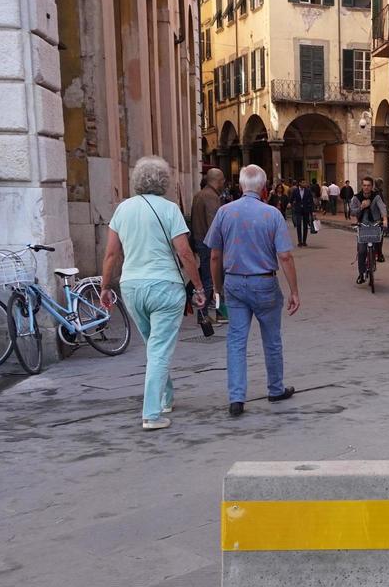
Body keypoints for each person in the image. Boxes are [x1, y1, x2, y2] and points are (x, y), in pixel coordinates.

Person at [100, 155, 205, 431]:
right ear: (164, 182)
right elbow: (184, 252)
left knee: (154, 346)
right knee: (159, 349)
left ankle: (166, 397)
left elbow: (112, 253)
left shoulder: (122, 210)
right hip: (165, 287)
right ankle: (152, 414)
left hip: (133, 287)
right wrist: (199, 286)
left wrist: (104, 286)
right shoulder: (170, 209)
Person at [207, 164, 301, 417]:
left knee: (236, 341)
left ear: (240, 185)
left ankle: (237, 398)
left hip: (235, 282)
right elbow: (285, 256)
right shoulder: (272, 214)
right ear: (264, 187)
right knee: (272, 338)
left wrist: (217, 287)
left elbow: (215, 255)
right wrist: (294, 291)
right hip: (264, 283)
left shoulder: (224, 212)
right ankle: (275, 388)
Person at [189, 168, 225, 319]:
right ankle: (207, 315)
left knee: (208, 278)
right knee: (213, 280)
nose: (224, 183)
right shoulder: (211, 197)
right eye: (223, 180)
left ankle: (217, 313)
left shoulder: (199, 195)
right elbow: (213, 224)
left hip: (200, 241)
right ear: (217, 181)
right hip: (209, 245)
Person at [347, 175, 389, 284]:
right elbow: (352, 212)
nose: (366, 187)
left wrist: (384, 220)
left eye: (368, 185)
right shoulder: (356, 198)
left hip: (375, 225)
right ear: (362, 186)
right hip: (362, 226)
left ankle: (376, 258)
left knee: (377, 245)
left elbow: (382, 208)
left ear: (372, 186)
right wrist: (361, 207)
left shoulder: (376, 197)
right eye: (364, 185)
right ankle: (361, 274)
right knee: (361, 251)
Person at [289, 179, 315, 247]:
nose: (305, 184)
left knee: (305, 226)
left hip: (306, 210)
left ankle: (304, 241)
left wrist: (313, 211)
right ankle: (299, 241)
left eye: (305, 182)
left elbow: (311, 201)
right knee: (298, 224)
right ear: (299, 183)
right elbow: (291, 199)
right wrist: (290, 203)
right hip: (298, 210)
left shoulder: (308, 191)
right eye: (303, 182)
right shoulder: (295, 191)